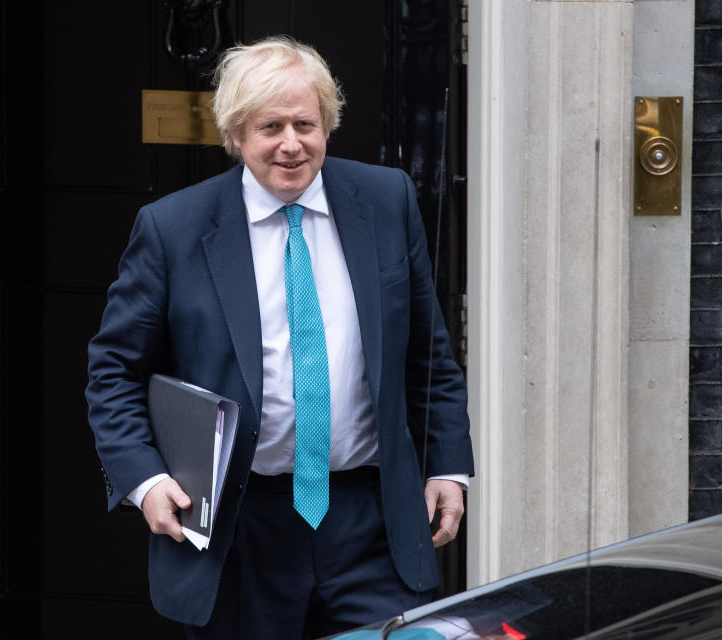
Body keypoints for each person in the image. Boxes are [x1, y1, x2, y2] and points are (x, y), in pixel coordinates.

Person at [85, 35, 474, 639]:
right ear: (237, 136)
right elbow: (114, 373)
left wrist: (448, 465)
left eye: (305, 124)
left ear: (327, 126)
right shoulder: (173, 229)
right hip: (240, 528)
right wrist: (146, 480)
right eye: (270, 127)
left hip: (372, 520)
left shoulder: (386, 200)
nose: (291, 144)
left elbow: (428, 355)